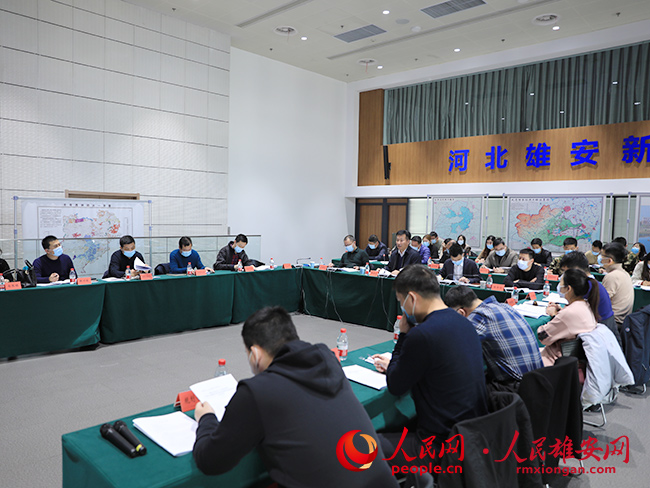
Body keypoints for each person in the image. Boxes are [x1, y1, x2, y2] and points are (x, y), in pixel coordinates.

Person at [192, 306, 397, 487]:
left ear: (255, 354)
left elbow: (210, 461)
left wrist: (206, 418)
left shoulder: (258, 391)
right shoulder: (328, 360)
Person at [371, 265, 487, 470]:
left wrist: (403, 335)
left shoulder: (422, 334)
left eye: (401, 301)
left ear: (412, 298)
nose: (402, 308)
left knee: (360, 446)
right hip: (472, 433)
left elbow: (396, 385)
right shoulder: (464, 322)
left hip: (439, 445)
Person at [444, 286, 543, 391]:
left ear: (461, 313)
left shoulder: (478, 317)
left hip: (517, 389)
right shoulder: (505, 307)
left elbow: (453, 348)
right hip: (538, 381)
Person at [537, 269, 599, 366]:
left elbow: (543, 337)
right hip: (571, 359)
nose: (559, 286)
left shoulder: (569, 313)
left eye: (561, 283)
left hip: (554, 360)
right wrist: (560, 312)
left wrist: (554, 315)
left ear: (568, 288)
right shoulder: (585, 305)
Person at [559, 251, 620, 345]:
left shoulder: (586, 286)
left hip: (601, 336)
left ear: (575, 270)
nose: (564, 276)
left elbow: (577, 316)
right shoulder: (590, 282)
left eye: (566, 272)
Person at [600, 242, 634, 329]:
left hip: (612, 322)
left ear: (609, 260)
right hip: (622, 321)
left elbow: (601, 302)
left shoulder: (612, 276)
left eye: (602, 256)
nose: (600, 259)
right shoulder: (625, 273)